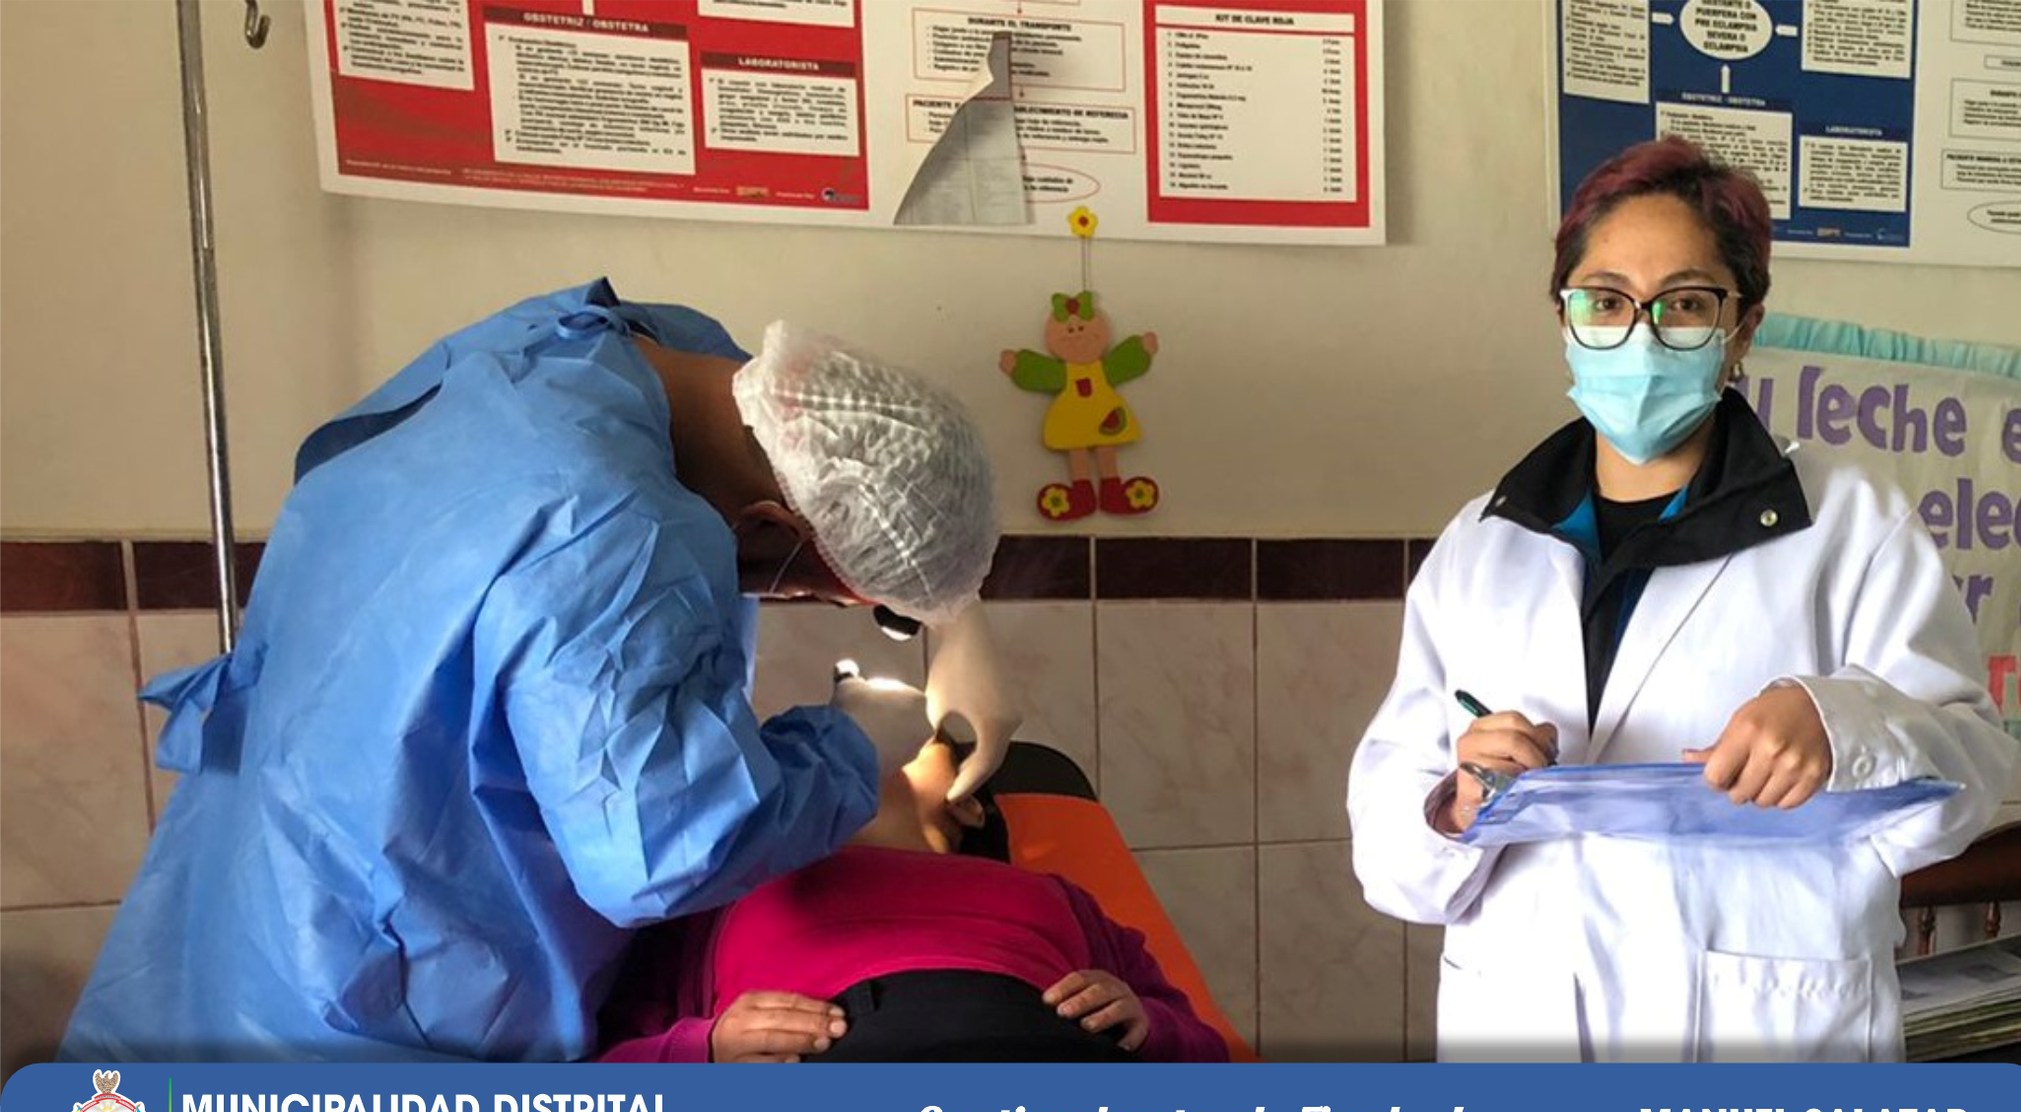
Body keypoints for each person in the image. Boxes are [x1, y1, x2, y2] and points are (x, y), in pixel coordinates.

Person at [61, 279, 1018, 1063]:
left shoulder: (600, 351)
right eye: (817, 592)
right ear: (767, 529)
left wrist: (949, 603)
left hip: (250, 891)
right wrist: (854, 748)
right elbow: (665, 853)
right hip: (367, 1007)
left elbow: (850, 456)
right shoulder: (612, 533)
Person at [1348, 138, 2018, 1063]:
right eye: (1606, 300)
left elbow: (1970, 777)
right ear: (1564, 317)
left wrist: (1842, 726)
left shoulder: (1850, 523)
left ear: (1741, 329)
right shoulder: (1484, 544)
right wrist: (1457, 805)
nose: (1642, 334)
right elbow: (1390, 858)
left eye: (1686, 303)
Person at [597, 740, 1229, 1063]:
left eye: (914, 734)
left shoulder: (1054, 894)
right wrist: (707, 1050)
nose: (854, 742)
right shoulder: (724, 892)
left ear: (966, 799)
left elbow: (1207, 1055)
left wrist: (1148, 1026)